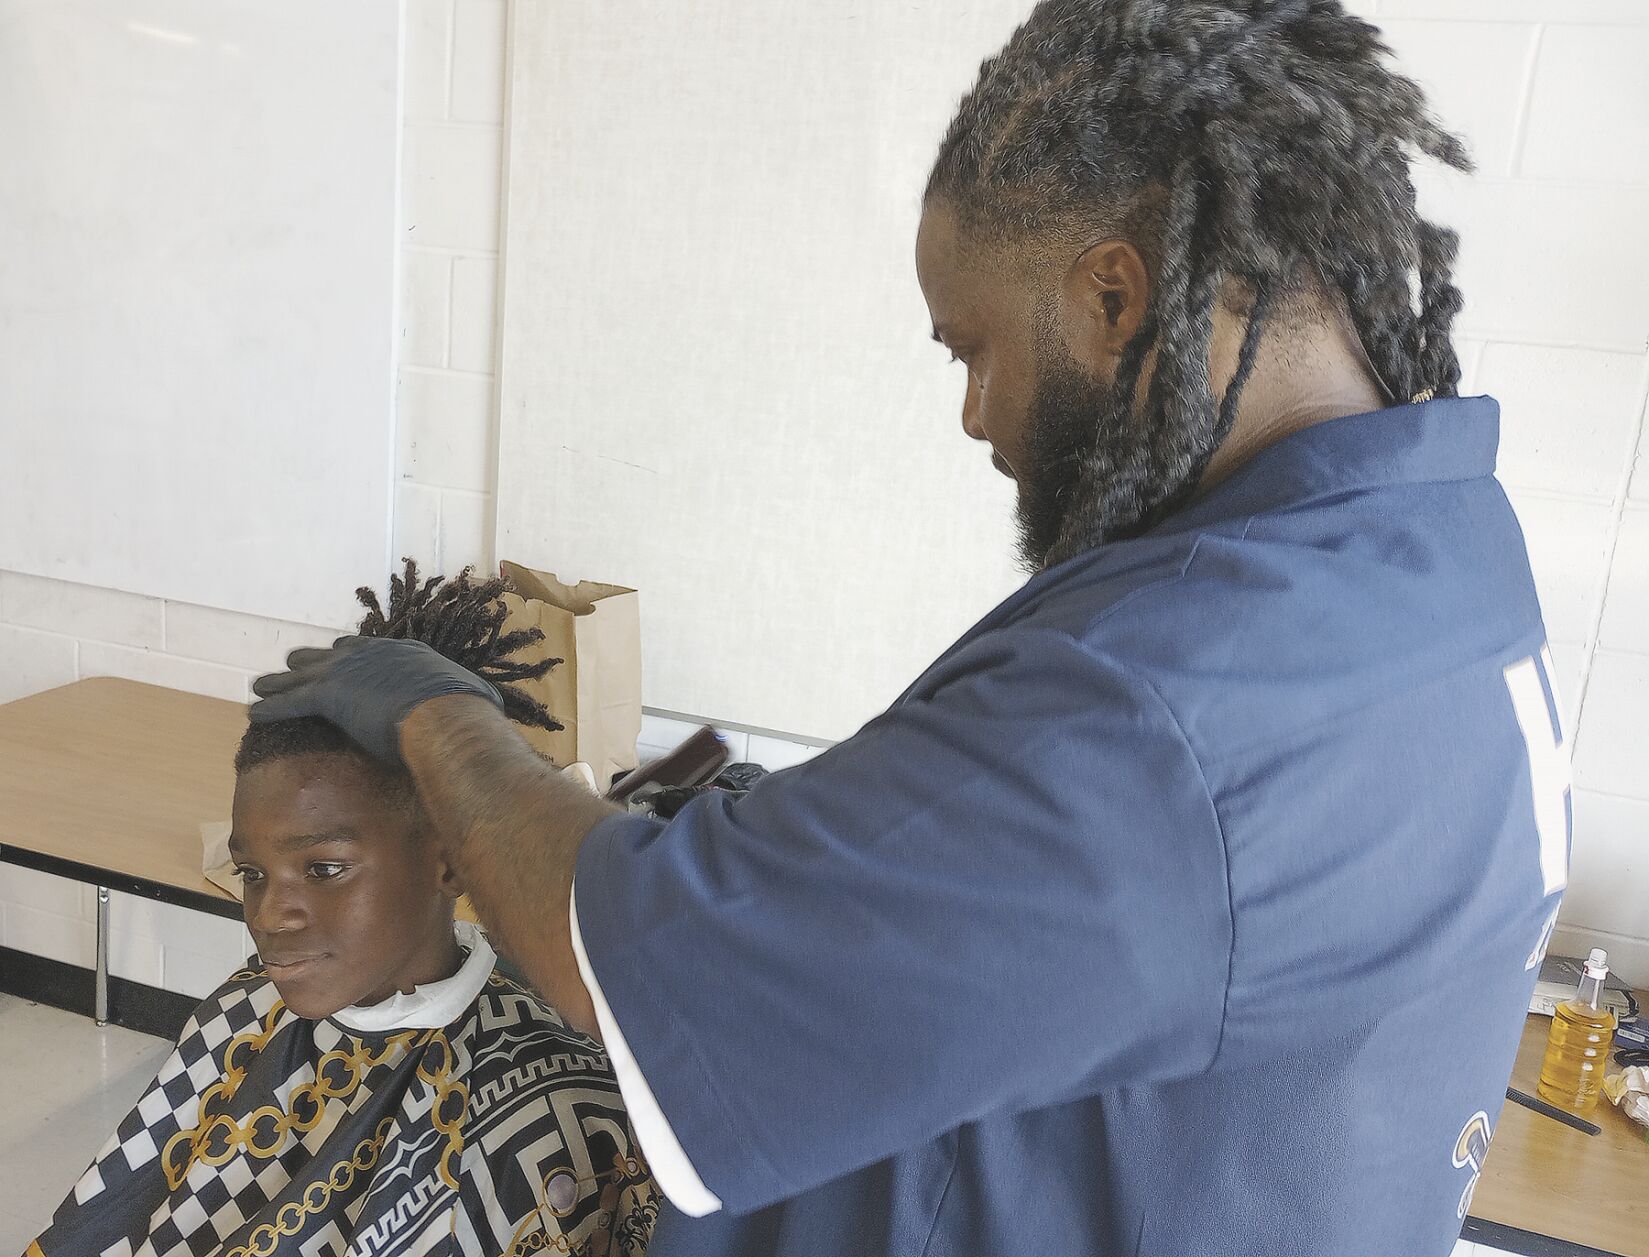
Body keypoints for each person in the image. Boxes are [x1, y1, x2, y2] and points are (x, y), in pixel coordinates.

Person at [247, 3, 1568, 1254]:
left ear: (1114, 299)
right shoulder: (1434, 556)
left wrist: (442, 723)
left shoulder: (1170, 711)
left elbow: (653, 968)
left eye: (972, 348)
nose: (976, 411)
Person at [30, 566, 657, 1257]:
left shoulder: (560, 1081)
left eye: (324, 869)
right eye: (251, 872)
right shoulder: (240, 1011)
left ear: (448, 859)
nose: (269, 913)